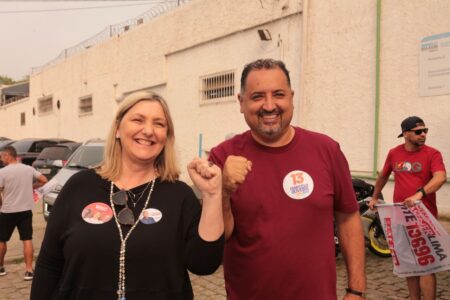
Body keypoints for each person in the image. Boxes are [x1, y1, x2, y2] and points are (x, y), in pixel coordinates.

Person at [31, 91, 224, 300]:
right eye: (138, 120)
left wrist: (212, 195)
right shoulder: (79, 186)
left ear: (166, 137)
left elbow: (204, 264)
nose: (148, 130)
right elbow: (49, 263)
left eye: (159, 124)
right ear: (117, 130)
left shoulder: (179, 196)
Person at [209, 58, 366, 299]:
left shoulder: (326, 149)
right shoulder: (223, 157)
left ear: (291, 97)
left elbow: (347, 217)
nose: (269, 106)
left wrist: (356, 289)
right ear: (241, 102)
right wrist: (224, 190)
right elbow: (222, 236)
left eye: (278, 94)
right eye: (257, 96)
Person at [369, 116, 446, 300]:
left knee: (426, 264)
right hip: (399, 217)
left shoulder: (432, 154)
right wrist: (374, 196)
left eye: (425, 131)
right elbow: (383, 175)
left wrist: (419, 194)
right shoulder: (394, 153)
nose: (423, 135)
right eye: (418, 131)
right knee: (408, 265)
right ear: (405, 134)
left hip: (423, 216)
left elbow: (440, 177)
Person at [0, 145, 48, 280]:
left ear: (8, 155)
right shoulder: (28, 169)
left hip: (8, 211)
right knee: (27, 239)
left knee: (2, 239)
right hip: (26, 210)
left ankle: (1, 268)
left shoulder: (2, 172)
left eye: (2, 156)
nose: (1, 159)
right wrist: (32, 186)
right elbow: (44, 180)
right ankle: (28, 271)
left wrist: (1, 205)